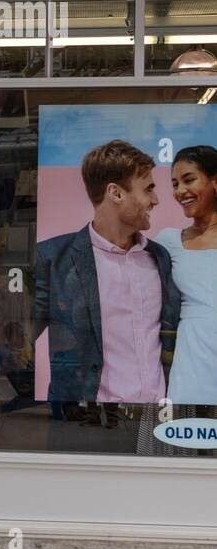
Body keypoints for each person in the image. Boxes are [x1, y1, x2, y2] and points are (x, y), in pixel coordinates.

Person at [34, 141, 179, 425]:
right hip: (88, 421)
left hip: (157, 418)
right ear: (115, 192)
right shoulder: (54, 258)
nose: (156, 200)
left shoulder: (159, 257)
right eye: (148, 188)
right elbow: (17, 339)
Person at [146, 147, 217, 455]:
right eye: (175, 184)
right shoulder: (169, 241)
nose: (180, 191)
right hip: (192, 364)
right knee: (181, 460)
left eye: (189, 180)